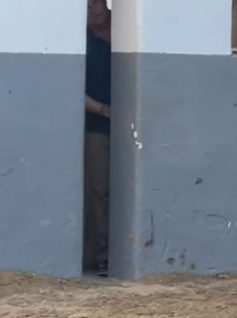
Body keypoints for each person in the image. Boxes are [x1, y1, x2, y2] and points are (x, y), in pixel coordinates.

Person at [84, 0, 112, 275]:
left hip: (126, 128)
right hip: (96, 128)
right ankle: (103, 258)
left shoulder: (125, 35)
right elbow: (75, 92)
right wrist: (105, 111)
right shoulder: (83, 43)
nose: (91, 10)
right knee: (99, 193)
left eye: (95, 3)